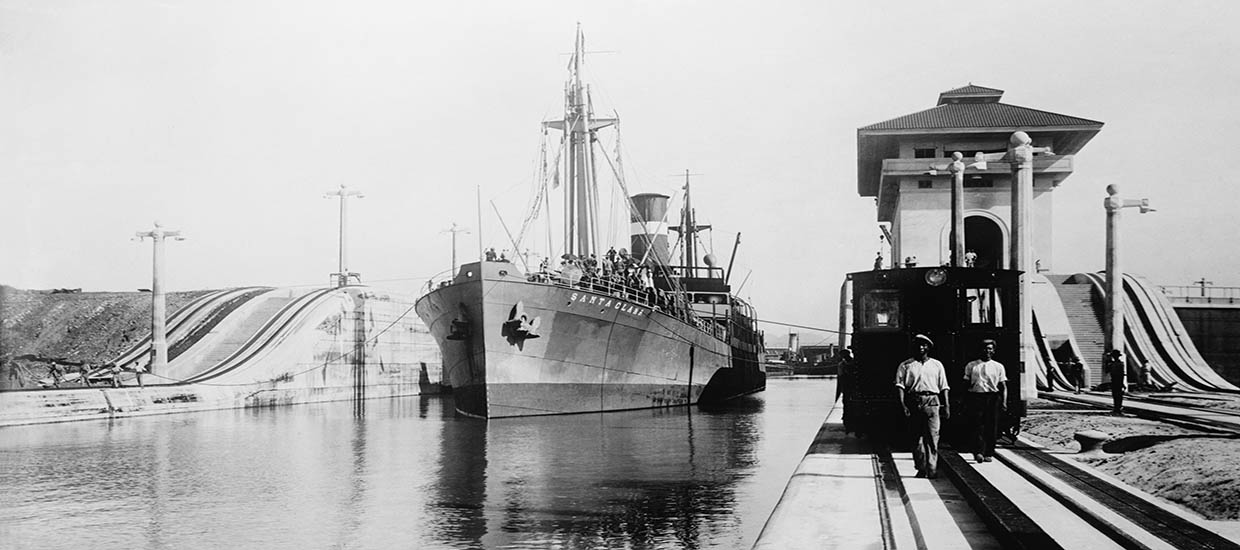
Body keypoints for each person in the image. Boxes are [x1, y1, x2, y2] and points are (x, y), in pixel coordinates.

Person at [895, 334, 950, 479]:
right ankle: (921, 468)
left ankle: (932, 469)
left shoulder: (937, 365)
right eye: (918, 344)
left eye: (924, 345)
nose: (921, 347)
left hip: (933, 402)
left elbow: (944, 386)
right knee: (916, 439)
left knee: (932, 437)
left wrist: (946, 405)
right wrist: (903, 404)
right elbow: (900, 386)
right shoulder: (906, 365)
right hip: (914, 401)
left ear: (928, 348)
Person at [963, 339, 1007, 463]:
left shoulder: (998, 366)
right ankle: (978, 452)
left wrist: (1003, 402)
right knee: (977, 425)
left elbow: (1003, 386)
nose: (987, 351)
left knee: (991, 426)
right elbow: (966, 384)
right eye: (985, 349)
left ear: (993, 351)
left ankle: (989, 452)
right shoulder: (972, 365)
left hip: (992, 398)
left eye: (990, 349)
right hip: (976, 397)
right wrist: (965, 400)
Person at [1105, 349, 1126, 414]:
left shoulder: (1113, 364)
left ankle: (1117, 408)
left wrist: (1107, 362)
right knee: (1118, 395)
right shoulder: (1120, 364)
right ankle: (1117, 408)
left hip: (1116, 381)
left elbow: (1107, 371)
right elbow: (1122, 374)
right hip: (1117, 381)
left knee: (1116, 395)